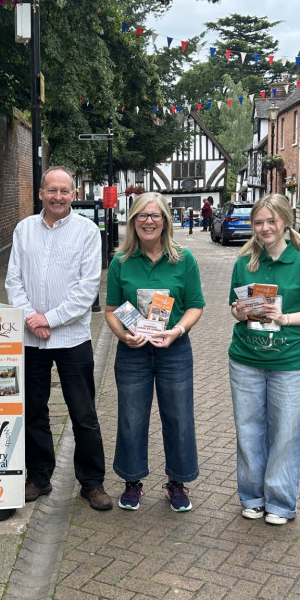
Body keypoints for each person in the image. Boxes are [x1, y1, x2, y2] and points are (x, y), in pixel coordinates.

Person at [5, 166, 112, 511]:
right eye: (52, 190)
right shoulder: (23, 230)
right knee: (33, 409)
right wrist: (30, 319)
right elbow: (13, 282)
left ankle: (92, 482)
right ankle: (38, 476)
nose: (58, 197)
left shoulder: (86, 232)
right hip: (29, 338)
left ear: (73, 193)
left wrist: (48, 318)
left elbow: (87, 288)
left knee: (83, 413)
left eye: (65, 191)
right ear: (41, 194)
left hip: (72, 338)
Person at [227, 193, 300, 526]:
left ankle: (281, 503)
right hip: (245, 359)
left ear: (285, 221)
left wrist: (285, 318)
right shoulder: (244, 263)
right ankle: (252, 497)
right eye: (259, 222)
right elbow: (233, 308)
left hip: (289, 362)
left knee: (286, 433)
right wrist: (240, 312)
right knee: (248, 431)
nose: (265, 228)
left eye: (272, 221)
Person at [105, 192, 204, 512]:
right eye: (142, 216)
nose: (149, 221)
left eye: (155, 216)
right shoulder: (121, 261)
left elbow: (195, 306)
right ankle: (132, 481)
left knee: (178, 417)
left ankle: (177, 482)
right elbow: (111, 310)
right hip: (133, 352)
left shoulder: (184, 259)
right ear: (133, 221)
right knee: (132, 418)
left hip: (174, 350)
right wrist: (124, 335)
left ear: (165, 220)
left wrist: (177, 331)